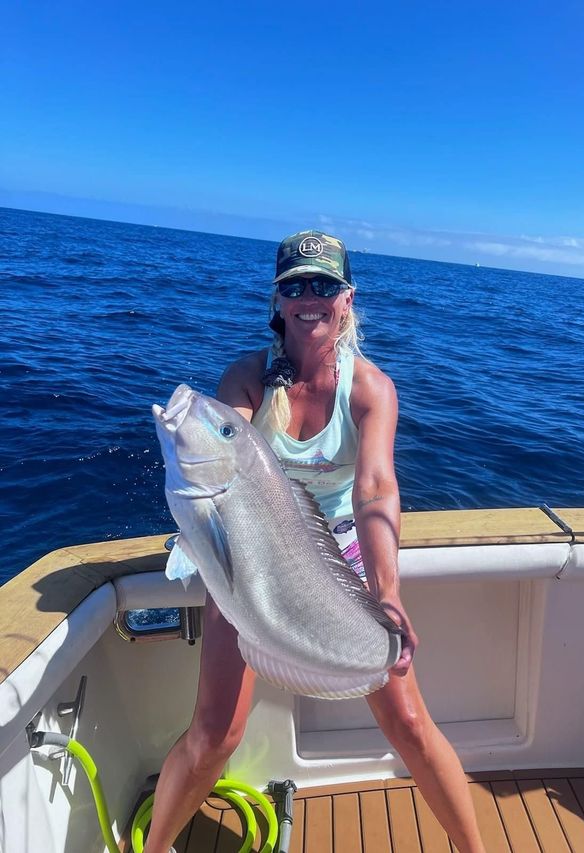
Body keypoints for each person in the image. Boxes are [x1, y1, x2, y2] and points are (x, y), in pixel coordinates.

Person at [144, 231, 486, 853]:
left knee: (408, 721)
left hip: (339, 558)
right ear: (277, 300)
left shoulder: (370, 389)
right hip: (250, 549)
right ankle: (156, 846)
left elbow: (376, 490)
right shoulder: (248, 378)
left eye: (324, 286)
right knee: (217, 733)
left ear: (346, 300)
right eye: (294, 286)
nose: (309, 298)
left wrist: (387, 593)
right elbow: (228, 460)